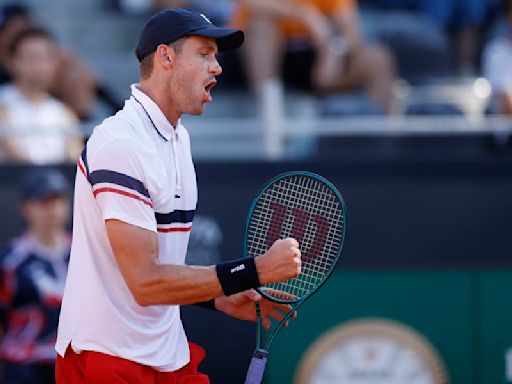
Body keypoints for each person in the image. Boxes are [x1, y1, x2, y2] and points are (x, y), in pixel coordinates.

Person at [55, 8, 302, 383]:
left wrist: (217, 297)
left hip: (164, 354)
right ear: (165, 57)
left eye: (216, 57)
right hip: (106, 358)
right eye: (204, 54)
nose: (217, 67)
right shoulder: (120, 144)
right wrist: (252, 272)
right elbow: (145, 280)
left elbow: (161, 266)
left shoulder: (177, 137)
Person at [233, 0, 397, 114]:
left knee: (377, 58)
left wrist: (333, 50)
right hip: (263, 59)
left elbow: (352, 33)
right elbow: (250, 4)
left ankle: (380, 135)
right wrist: (306, 14)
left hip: (318, 58)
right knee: (261, 26)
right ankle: (268, 112)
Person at [0, 168, 71, 384]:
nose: (53, 209)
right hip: (24, 366)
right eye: (44, 201)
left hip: (70, 365)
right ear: (26, 207)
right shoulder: (10, 260)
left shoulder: (84, 252)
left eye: (58, 199)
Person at [0, 4, 122, 121]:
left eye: (19, 28)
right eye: (6, 30)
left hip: (54, 111)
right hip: (18, 111)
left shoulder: (63, 60)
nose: (13, 35)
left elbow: (94, 82)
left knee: (75, 73)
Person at [0, 27, 83, 164]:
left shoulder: (63, 112)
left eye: (45, 58)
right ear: (11, 61)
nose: (38, 66)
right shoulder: (3, 103)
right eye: (31, 58)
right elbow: (13, 153)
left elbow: (75, 158)